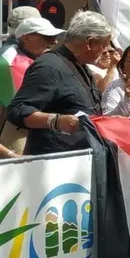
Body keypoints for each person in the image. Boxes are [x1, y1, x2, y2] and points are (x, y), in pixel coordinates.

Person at [7, 11, 113, 155]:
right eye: (103, 45)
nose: (105, 51)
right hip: (56, 161)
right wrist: (56, 121)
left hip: (82, 159)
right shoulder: (49, 67)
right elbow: (17, 110)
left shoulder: (80, 66)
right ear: (89, 42)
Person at [0, 16, 65, 155]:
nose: (54, 41)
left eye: (54, 37)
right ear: (26, 38)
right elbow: (20, 110)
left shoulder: (32, 58)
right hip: (19, 134)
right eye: (47, 37)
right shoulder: (11, 62)